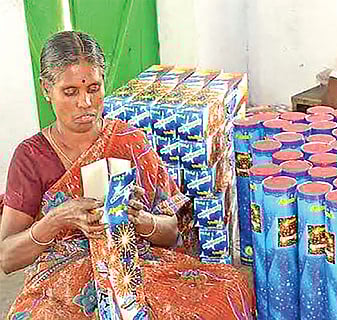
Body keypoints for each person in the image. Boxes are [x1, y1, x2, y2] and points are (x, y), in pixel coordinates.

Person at [0, 31, 255, 319]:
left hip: (135, 263)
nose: (85, 102)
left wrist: (140, 220)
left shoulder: (129, 141)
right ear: (47, 89)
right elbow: (7, 257)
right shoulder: (31, 156)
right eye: (70, 92)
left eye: (94, 88)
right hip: (65, 279)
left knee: (228, 289)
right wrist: (58, 219)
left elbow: (171, 232)